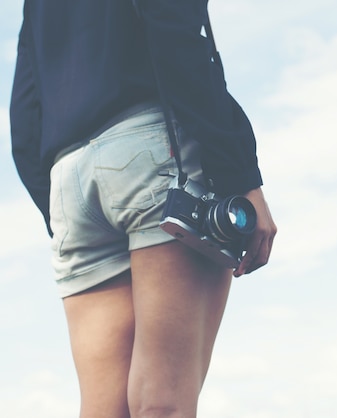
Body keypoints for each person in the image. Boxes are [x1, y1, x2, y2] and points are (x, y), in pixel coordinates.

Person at [10, 0, 277, 417]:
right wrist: (239, 172)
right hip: (150, 151)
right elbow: (174, 29)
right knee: (163, 404)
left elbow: (25, 107)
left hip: (68, 178)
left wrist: (58, 206)